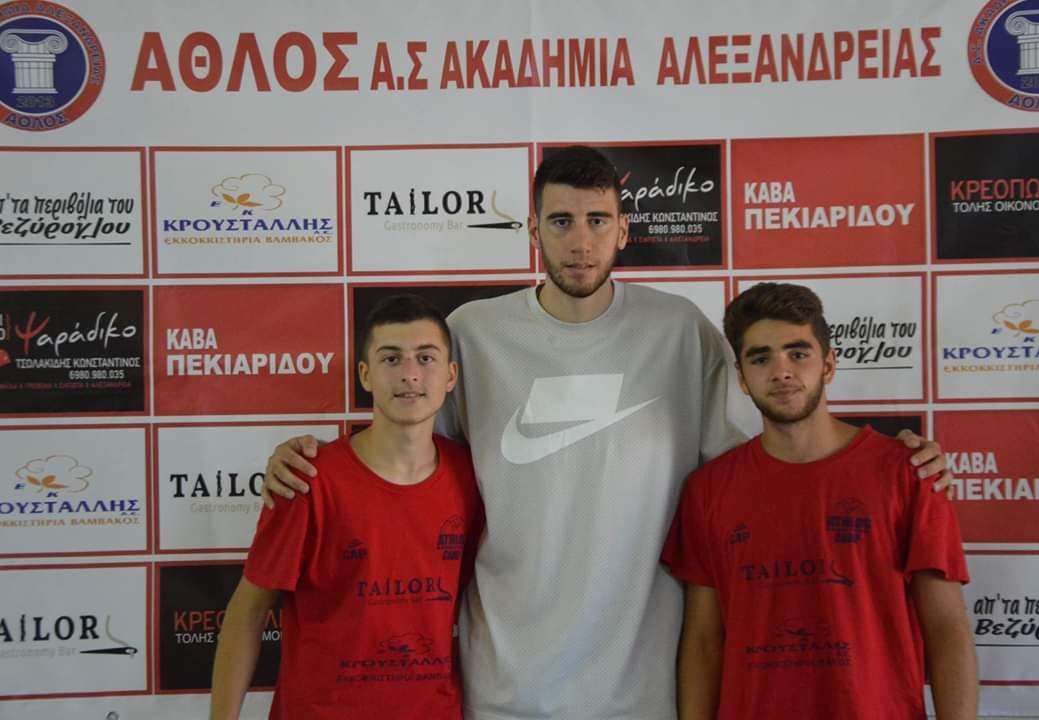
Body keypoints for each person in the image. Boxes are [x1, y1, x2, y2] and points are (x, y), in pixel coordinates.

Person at [261, 146, 953, 719]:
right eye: (560, 221)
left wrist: (887, 462)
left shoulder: (680, 331)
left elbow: (768, 465)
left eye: (597, 220)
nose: (580, 241)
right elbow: (403, 465)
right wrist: (310, 462)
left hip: (642, 689)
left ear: (623, 231)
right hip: (503, 686)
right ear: (533, 232)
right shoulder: (472, 332)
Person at [662, 282, 977, 720]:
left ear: (828, 365)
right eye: (761, 358)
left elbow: (947, 631)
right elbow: (703, 642)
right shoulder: (708, 490)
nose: (781, 371)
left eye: (798, 353)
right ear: (742, 376)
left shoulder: (910, 474)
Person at [209, 294, 483, 720]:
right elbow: (248, 612)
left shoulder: (473, 478)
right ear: (365, 375)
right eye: (391, 358)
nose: (410, 374)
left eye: (425, 358)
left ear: (450, 376)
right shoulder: (307, 479)